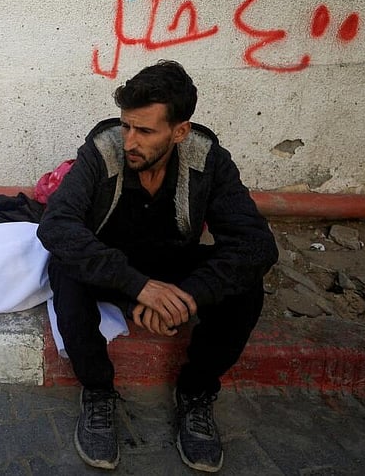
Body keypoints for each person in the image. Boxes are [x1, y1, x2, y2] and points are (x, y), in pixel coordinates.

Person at [36, 60, 278, 472]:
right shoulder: (103, 149)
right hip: (111, 268)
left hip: (173, 268)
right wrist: (138, 288)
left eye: (145, 131)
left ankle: (196, 394)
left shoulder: (208, 159)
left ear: (179, 132)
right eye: (127, 125)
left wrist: (187, 297)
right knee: (64, 265)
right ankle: (97, 392)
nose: (130, 140)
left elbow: (255, 243)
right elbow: (56, 226)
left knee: (248, 284)